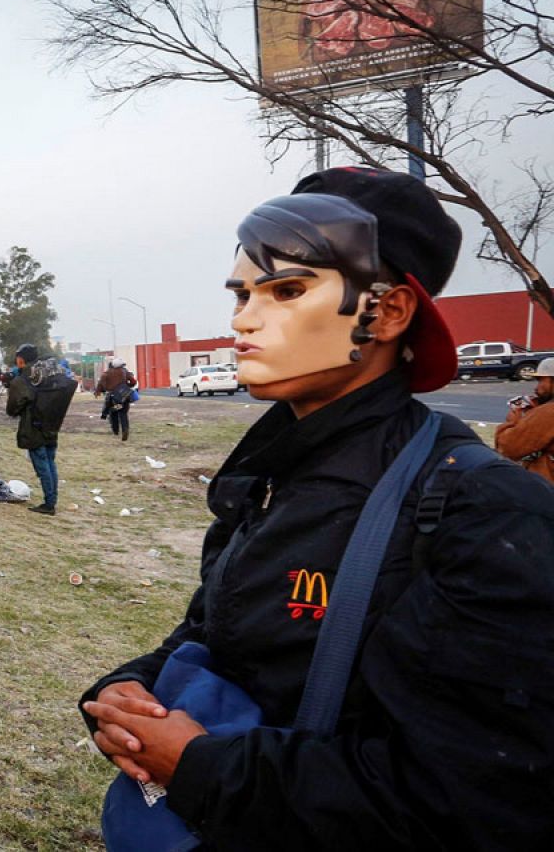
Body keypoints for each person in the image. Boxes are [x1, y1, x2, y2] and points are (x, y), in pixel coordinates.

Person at [79, 167, 554, 850]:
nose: (244, 318)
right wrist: (126, 692)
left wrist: (203, 770)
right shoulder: (267, 476)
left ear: (389, 313)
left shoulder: (483, 512)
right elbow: (218, 639)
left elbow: (476, 801)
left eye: (287, 290)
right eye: (242, 293)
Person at [5, 344, 75, 516]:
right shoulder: (48, 373)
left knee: (42, 465)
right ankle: (52, 500)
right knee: (50, 463)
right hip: (52, 424)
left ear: (21, 359)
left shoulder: (23, 379)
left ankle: (49, 504)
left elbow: (13, 408)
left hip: (33, 426)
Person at [495, 356, 554, 484]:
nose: (536, 388)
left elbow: (508, 448)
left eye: (540, 380)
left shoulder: (549, 412)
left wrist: (513, 421)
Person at [94, 357, 136, 440]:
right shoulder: (125, 372)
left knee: (112, 412)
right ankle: (125, 429)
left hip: (113, 398)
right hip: (124, 397)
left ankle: (116, 431)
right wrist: (128, 386)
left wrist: (98, 391)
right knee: (123, 413)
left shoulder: (106, 373)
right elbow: (133, 382)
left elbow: (101, 384)